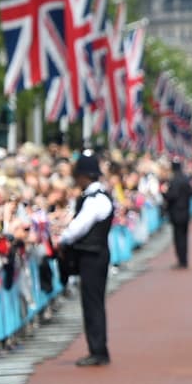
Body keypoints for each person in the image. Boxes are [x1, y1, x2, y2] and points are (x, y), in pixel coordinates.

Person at [57, 153, 114, 367]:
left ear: (84, 176)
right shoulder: (95, 196)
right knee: (92, 302)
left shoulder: (95, 199)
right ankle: (97, 348)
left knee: (92, 303)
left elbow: (78, 227)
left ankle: (98, 350)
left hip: (93, 255)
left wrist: (63, 240)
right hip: (94, 254)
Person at [162, 159, 191, 269]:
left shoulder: (174, 180)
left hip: (176, 212)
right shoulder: (185, 179)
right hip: (185, 211)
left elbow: (172, 196)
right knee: (184, 237)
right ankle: (184, 259)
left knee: (178, 237)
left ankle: (181, 260)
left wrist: (164, 193)